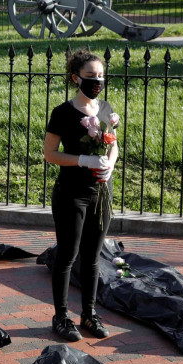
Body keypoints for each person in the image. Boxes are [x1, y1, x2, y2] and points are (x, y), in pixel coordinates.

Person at [43, 49, 119, 342]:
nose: (96, 81)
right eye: (90, 76)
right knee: (67, 256)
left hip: (101, 193)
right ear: (76, 78)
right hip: (71, 194)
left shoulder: (105, 109)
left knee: (92, 258)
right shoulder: (63, 113)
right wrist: (82, 160)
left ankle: (89, 314)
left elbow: (113, 144)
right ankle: (61, 317)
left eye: (100, 76)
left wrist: (110, 164)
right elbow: (50, 154)